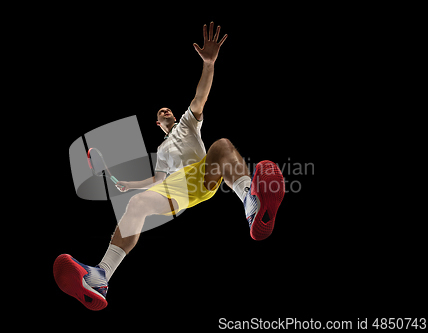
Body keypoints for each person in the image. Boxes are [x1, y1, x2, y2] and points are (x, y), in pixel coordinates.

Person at [53, 22, 285, 311]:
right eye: (161, 112)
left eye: (168, 109)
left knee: (222, 146)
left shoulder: (188, 123)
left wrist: (209, 65)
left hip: (201, 172)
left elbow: (200, 97)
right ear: (158, 124)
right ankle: (100, 276)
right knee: (137, 203)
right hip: (175, 188)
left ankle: (253, 203)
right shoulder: (161, 151)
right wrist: (129, 185)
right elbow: (156, 178)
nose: (166, 111)